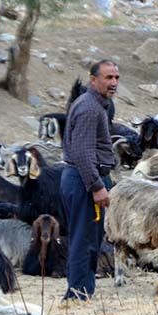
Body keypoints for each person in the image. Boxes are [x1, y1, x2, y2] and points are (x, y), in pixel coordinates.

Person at [60, 59, 119, 302]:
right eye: (108, 77)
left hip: (84, 179)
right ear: (93, 80)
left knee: (90, 239)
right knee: (83, 240)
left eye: (116, 78)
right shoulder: (89, 109)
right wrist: (96, 186)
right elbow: (82, 153)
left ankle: (83, 290)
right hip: (83, 181)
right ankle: (77, 294)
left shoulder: (96, 105)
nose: (113, 82)